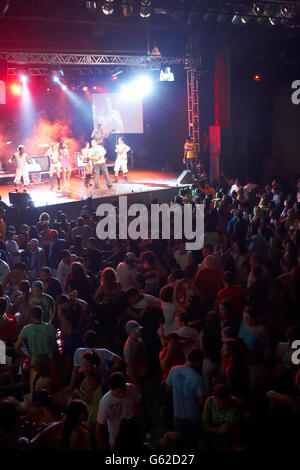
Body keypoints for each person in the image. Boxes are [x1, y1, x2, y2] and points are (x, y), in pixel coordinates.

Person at [165, 349, 205, 450]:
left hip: (178, 416)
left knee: (178, 445)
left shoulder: (174, 370)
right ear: (198, 361)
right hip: (192, 418)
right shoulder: (198, 378)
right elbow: (201, 402)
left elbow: (167, 388)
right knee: (192, 445)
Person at [95, 372, 141, 450]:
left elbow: (138, 406)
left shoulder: (132, 388)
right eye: (118, 392)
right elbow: (99, 427)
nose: (122, 394)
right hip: (115, 440)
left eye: (124, 390)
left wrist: (141, 427)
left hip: (133, 435)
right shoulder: (105, 402)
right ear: (111, 388)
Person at [202, 384, 240, 450]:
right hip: (213, 435)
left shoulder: (234, 406)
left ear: (228, 398)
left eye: (223, 403)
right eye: (217, 403)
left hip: (228, 437)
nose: (220, 406)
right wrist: (218, 430)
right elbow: (204, 425)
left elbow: (226, 429)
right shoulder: (210, 401)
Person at [123, 320, 148, 394]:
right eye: (136, 331)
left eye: (139, 330)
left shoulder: (138, 339)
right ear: (130, 333)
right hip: (135, 377)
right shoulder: (128, 348)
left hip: (142, 373)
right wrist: (137, 385)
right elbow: (130, 367)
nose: (139, 332)